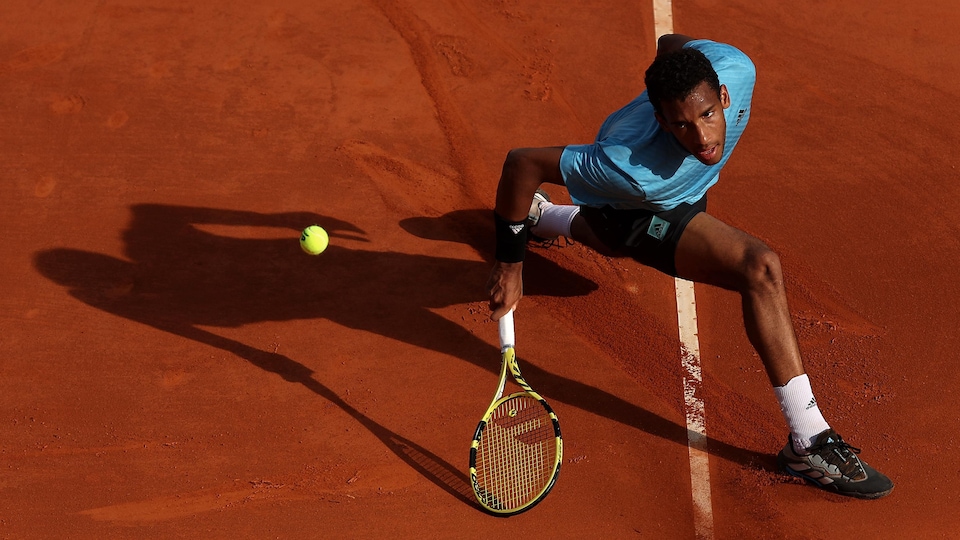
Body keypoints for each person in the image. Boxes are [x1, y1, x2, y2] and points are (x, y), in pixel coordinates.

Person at [485, 34, 893, 499]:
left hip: (678, 191)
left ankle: (544, 216)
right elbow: (520, 164)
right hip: (630, 208)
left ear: (723, 95)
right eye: (680, 125)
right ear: (661, 121)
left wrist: (664, 84)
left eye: (707, 115)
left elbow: (669, 42)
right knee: (758, 267)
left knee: (615, 246)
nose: (701, 138)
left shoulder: (736, 67)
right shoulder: (626, 168)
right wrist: (510, 266)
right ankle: (809, 439)